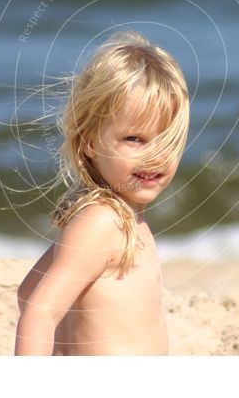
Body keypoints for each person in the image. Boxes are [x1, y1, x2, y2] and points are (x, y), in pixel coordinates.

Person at [14, 30, 190, 355]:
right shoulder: (102, 223)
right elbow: (39, 310)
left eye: (166, 140)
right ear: (90, 141)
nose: (156, 155)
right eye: (134, 139)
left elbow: (28, 291)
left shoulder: (114, 216)